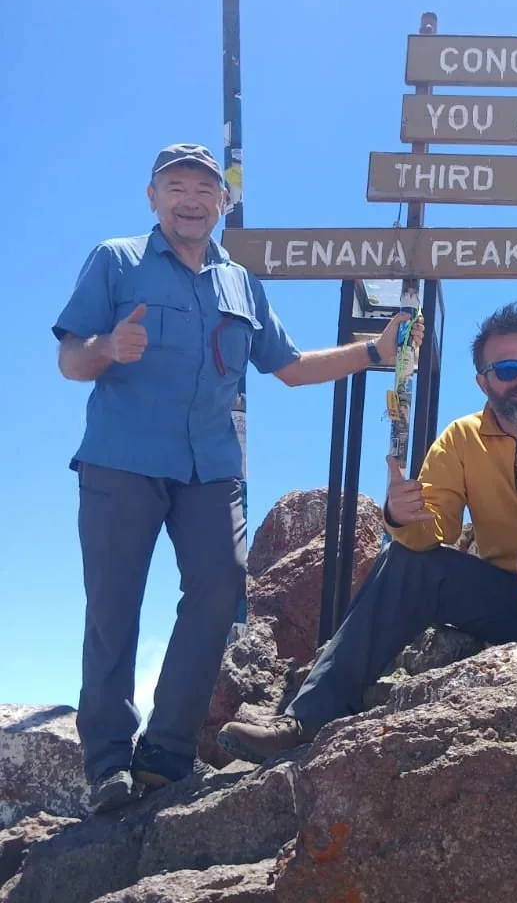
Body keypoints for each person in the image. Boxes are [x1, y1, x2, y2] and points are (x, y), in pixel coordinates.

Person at [54, 143, 417, 814]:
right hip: (121, 462)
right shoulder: (116, 260)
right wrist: (107, 348)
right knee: (113, 609)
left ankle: (166, 753)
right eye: (177, 186)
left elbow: (289, 365)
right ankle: (107, 761)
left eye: (205, 189)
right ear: (153, 197)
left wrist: (372, 352)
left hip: (210, 469)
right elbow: (70, 359)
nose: (192, 199)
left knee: (221, 585)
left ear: (223, 202)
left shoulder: (241, 283)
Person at [217, 303, 517, 764]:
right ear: (482, 381)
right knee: (404, 560)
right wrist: (404, 517)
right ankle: (311, 716)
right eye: (506, 368)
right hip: (507, 601)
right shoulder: (461, 440)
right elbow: (432, 532)